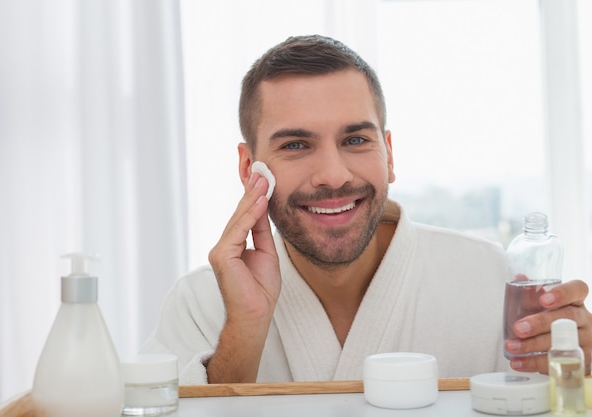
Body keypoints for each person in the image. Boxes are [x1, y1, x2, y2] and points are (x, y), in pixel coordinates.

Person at [142, 35, 592, 384]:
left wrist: (581, 372)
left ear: (389, 153)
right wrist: (247, 326)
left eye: (355, 140)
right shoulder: (200, 304)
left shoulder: (491, 282)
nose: (334, 175)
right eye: (296, 145)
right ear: (248, 167)